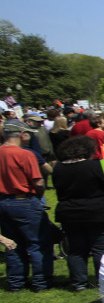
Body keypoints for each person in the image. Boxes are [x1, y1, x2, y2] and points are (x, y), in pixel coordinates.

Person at [53, 135, 104, 292]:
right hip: (99, 212)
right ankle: (102, 281)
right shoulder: (95, 166)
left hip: (69, 213)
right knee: (100, 249)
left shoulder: (58, 168)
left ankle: (78, 283)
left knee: (76, 250)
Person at [1, 120, 48, 292]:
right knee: (37, 244)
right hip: (24, 200)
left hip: (3, 201)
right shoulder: (26, 154)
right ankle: (41, 282)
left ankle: (15, 283)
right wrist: (38, 197)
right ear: (21, 134)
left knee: (12, 244)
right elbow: (38, 181)